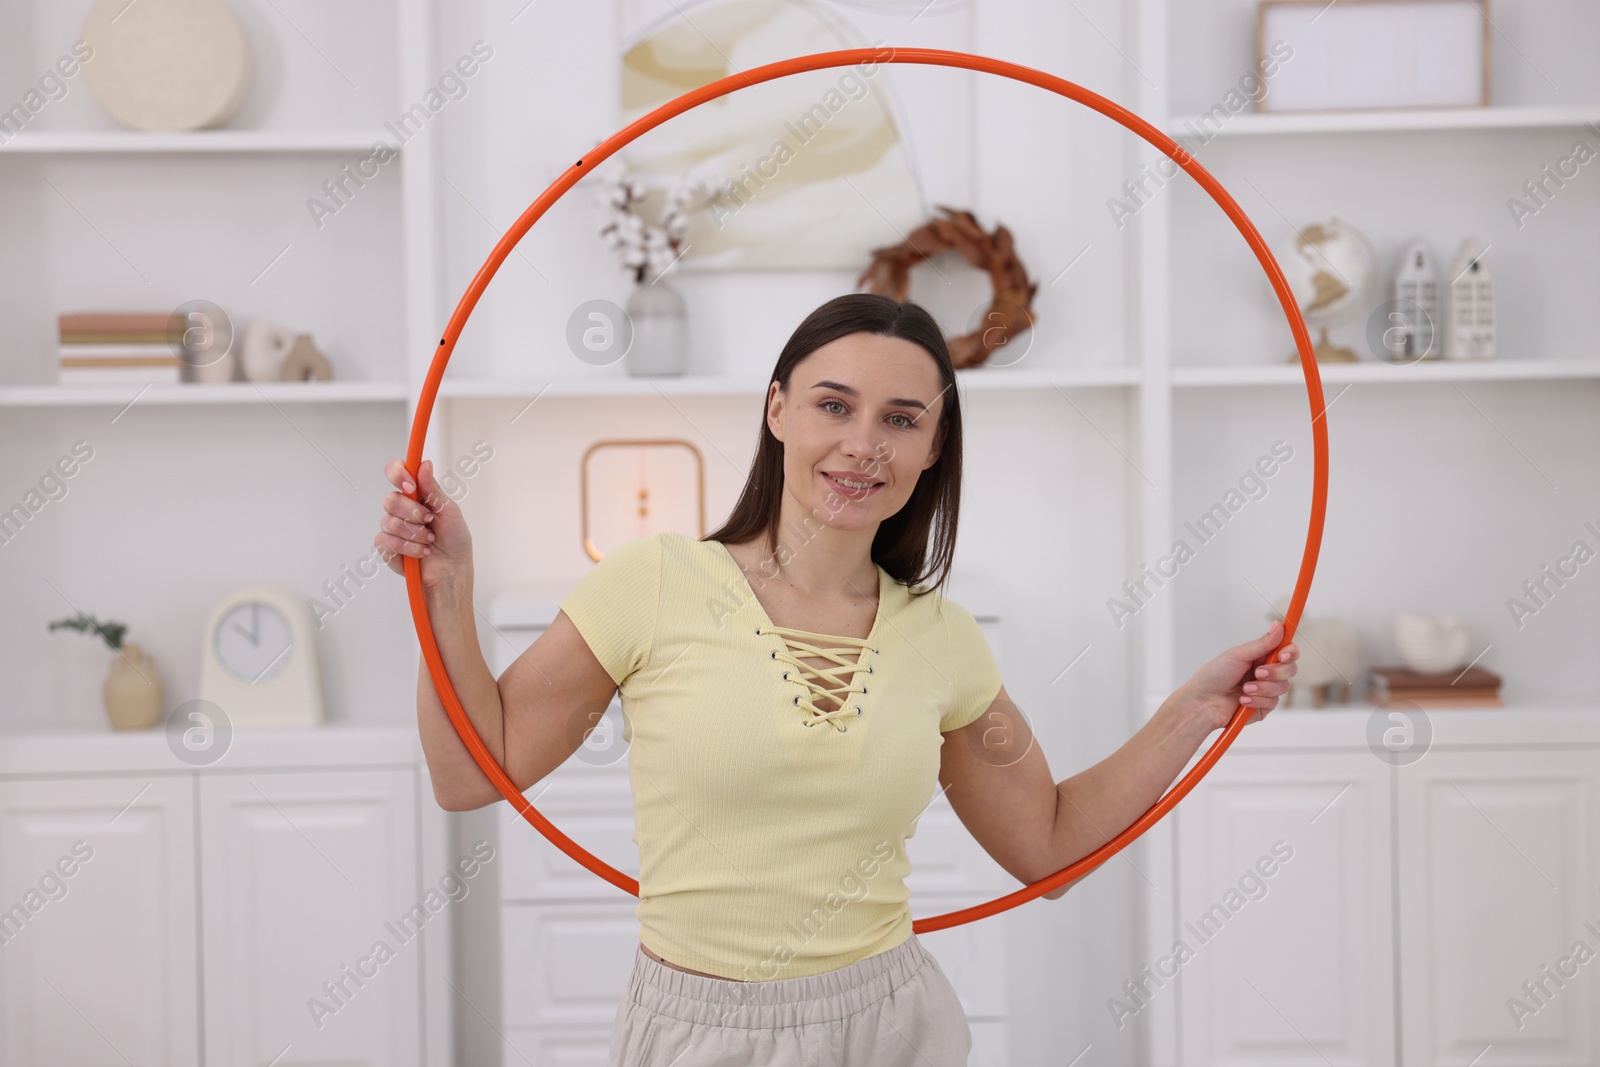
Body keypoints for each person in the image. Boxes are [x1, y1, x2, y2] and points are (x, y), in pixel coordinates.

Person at [374, 293, 1299, 1066]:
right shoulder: (651, 582)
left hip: (892, 1025)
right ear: (777, 409)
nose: (864, 445)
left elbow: (1049, 850)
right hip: (699, 1031)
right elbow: (470, 774)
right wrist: (445, 587)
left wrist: (1198, 709)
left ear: (934, 447)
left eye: (902, 420)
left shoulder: (942, 638)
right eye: (833, 405)